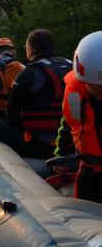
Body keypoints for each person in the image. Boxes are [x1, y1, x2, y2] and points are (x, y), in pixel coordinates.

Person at [0, 29, 72, 158]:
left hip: (37, 145)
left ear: (31, 50)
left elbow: (12, 114)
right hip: (71, 143)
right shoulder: (71, 66)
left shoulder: (29, 72)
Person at [53, 31, 102, 203]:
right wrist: (62, 153)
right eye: (95, 88)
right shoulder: (76, 94)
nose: (100, 93)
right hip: (88, 170)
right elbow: (68, 124)